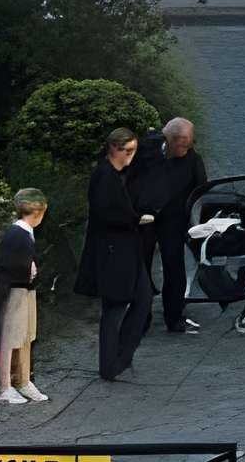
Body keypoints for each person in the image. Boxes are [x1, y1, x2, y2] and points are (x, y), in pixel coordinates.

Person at [76, 127, 155, 382]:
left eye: (134, 151)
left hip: (127, 249)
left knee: (142, 298)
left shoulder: (118, 174)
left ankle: (121, 356)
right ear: (114, 149)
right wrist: (135, 219)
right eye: (128, 151)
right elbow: (104, 213)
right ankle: (111, 363)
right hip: (113, 251)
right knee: (115, 306)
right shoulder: (104, 175)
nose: (131, 156)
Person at [134, 116, 209, 334]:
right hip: (143, 218)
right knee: (140, 268)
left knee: (174, 266)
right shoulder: (146, 149)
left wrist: (195, 220)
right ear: (171, 139)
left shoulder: (193, 159)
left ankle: (175, 316)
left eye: (190, 144)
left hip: (174, 219)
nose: (188, 149)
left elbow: (201, 188)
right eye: (184, 145)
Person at [0, 188, 48, 405]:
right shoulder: (16, 234)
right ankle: (6, 386)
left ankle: (23, 381)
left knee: (26, 336)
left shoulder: (25, 233)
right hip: (14, 292)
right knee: (10, 338)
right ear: (37, 213)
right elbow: (6, 265)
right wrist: (28, 269)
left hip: (26, 290)